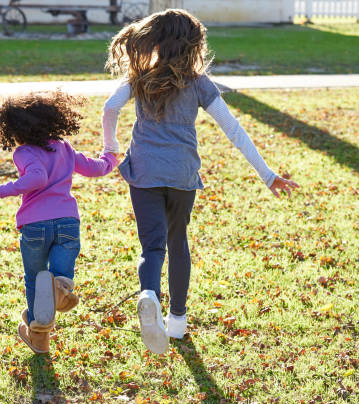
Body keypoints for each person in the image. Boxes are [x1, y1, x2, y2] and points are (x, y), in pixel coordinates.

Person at [101, 9, 299, 354]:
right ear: (192, 45)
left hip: (144, 173)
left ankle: (149, 294)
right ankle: (177, 321)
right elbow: (233, 129)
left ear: (156, 40)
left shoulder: (139, 78)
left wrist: (111, 148)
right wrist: (267, 175)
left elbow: (109, 107)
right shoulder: (198, 83)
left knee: (152, 246)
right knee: (178, 241)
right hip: (181, 175)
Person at [0, 91, 118, 354]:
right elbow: (94, 168)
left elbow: (37, 177)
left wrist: (2, 189)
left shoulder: (23, 152)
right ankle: (54, 302)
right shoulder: (64, 147)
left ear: (14, 131)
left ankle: (41, 329)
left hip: (35, 226)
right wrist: (110, 158)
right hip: (67, 222)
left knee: (35, 278)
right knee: (60, 275)